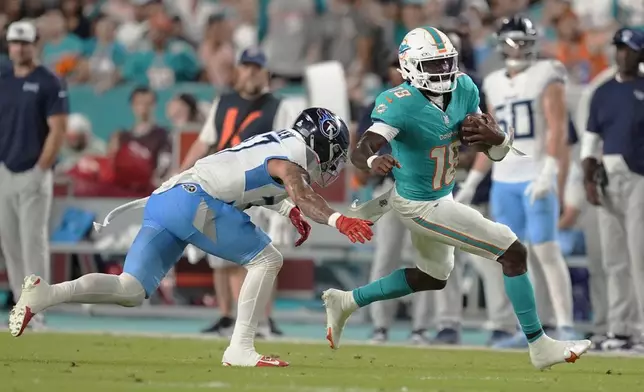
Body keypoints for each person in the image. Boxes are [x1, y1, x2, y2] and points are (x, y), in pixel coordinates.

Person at [9, 107, 374, 368]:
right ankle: (240, 348)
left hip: (166, 200)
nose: (335, 161)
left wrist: (289, 210)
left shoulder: (278, 144)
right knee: (267, 259)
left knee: (130, 289)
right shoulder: (291, 158)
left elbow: (253, 183)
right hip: (191, 201)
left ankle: (46, 294)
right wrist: (337, 219)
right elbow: (299, 190)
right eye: (335, 153)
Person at [322, 26, 591, 370]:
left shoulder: (464, 87)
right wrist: (374, 160)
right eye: (433, 65)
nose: (443, 72)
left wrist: (498, 139)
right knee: (513, 252)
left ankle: (346, 301)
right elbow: (361, 150)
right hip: (417, 204)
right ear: (410, 67)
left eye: (446, 62)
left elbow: (488, 150)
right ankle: (539, 345)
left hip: (441, 196)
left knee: (433, 277)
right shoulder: (398, 103)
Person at [457, 15, 576, 348]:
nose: (520, 47)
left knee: (547, 251)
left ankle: (564, 324)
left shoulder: (547, 74)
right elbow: (491, 140)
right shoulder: (493, 81)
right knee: (514, 256)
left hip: (535, 175)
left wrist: (550, 171)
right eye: (514, 40)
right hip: (505, 179)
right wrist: (472, 182)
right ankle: (532, 329)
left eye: (524, 41)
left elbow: (556, 128)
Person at [180, 48, 297, 336]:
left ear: (265, 73)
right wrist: (181, 174)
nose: (251, 73)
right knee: (219, 258)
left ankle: (262, 319)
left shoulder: (277, 106)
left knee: (260, 255)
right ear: (239, 70)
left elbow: (288, 149)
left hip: (258, 188)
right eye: (247, 67)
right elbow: (205, 141)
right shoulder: (224, 102)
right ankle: (226, 316)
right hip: (220, 184)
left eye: (256, 68)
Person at [354, 55, 432, 345]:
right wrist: (368, 164)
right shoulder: (378, 104)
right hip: (389, 189)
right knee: (386, 257)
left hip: (424, 189)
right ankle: (380, 325)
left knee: (426, 259)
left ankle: (420, 327)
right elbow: (360, 147)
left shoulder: (429, 104)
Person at [0, 21, 68, 329]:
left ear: (35, 44)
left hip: (33, 171)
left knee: (33, 243)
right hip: (5, 169)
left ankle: (36, 312)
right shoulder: (4, 79)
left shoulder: (50, 81)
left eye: (24, 43)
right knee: (11, 245)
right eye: (15, 42)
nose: (19, 48)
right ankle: (20, 309)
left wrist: (41, 167)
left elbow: (58, 130)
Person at [581, 27, 644, 352]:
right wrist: (588, 178)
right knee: (615, 259)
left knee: (640, 258)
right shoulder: (602, 91)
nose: (623, 54)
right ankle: (620, 329)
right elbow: (591, 139)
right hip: (609, 177)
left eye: (630, 49)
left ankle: (641, 329)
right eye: (619, 47)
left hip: (639, 180)